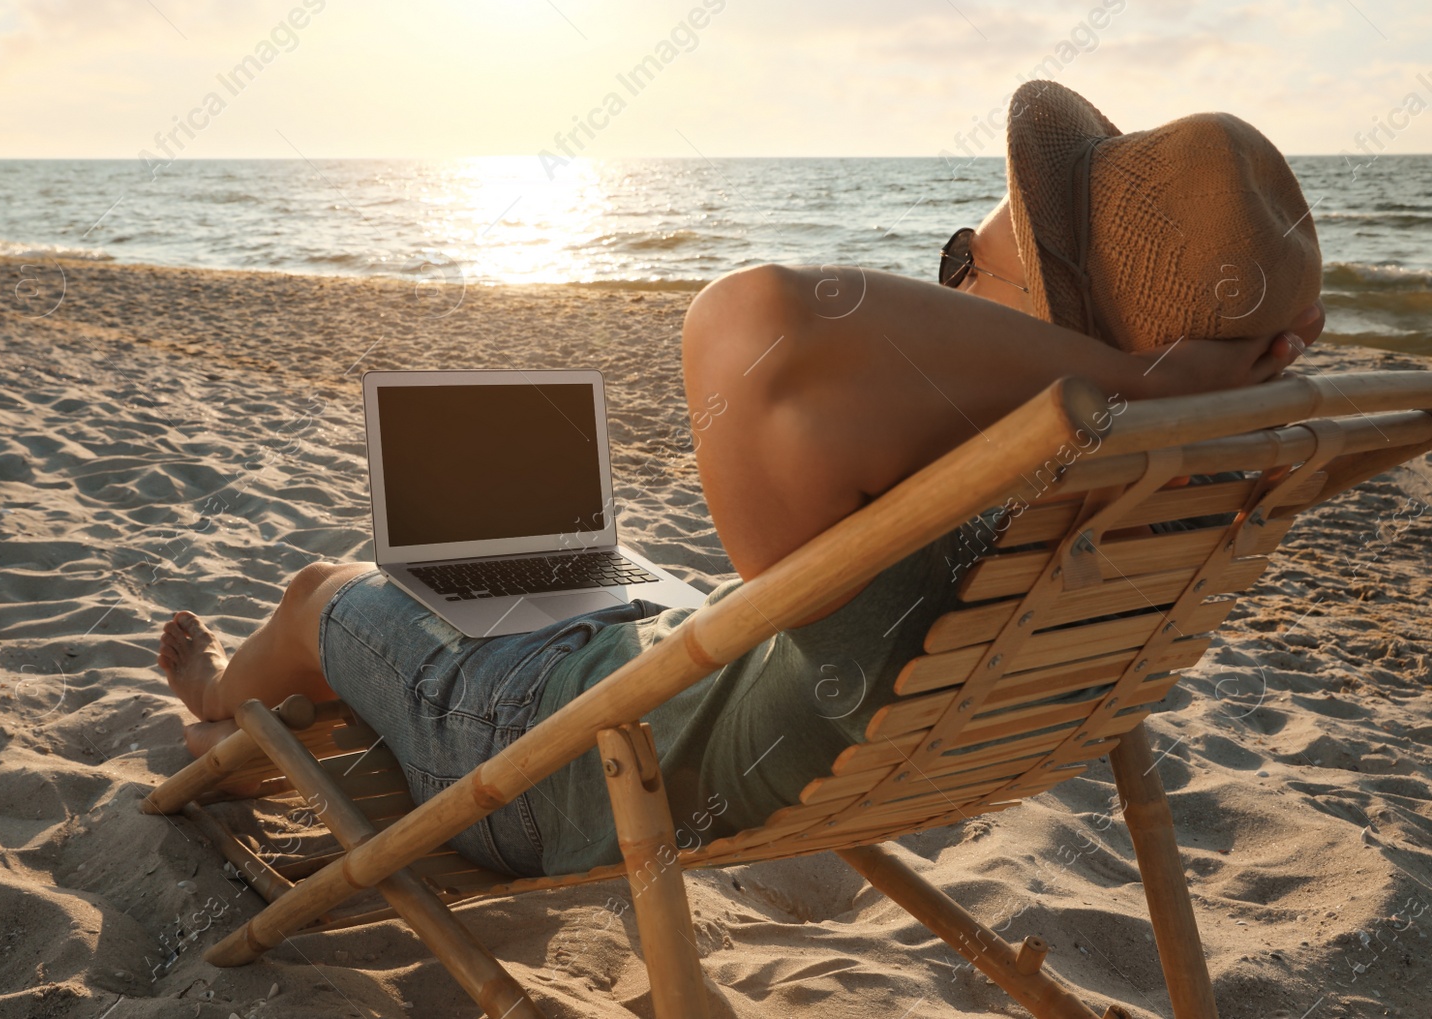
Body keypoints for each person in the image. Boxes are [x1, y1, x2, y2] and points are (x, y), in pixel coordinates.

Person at [156, 81, 1327, 877]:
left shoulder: (1018, 455)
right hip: (682, 658)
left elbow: (751, 320)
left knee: (325, 585)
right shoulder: (1150, 485)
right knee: (560, 554)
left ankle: (221, 700)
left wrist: (1125, 374)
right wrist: (1157, 387)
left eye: (963, 262)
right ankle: (509, 600)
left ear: (1058, 326)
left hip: (558, 760)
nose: (946, 280)